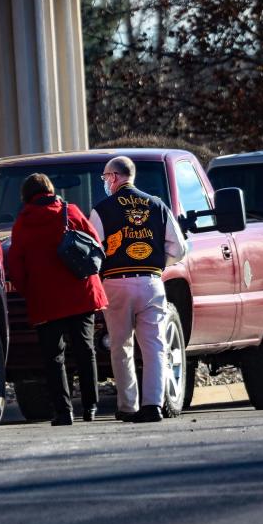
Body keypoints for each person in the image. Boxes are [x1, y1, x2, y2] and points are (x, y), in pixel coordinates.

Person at [90, 156, 187, 423]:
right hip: (151, 282)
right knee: (155, 345)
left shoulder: (102, 209)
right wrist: (154, 262)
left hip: (116, 282)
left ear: (114, 177)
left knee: (121, 345)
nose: (105, 183)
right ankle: (153, 404)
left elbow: (93, 249)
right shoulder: (157, 205)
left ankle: (128, 405)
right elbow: (179, 249)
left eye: (105, 178)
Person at [7, 173, 109, 426]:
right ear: (51, 190)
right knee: (86, 350)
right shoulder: (70, 211)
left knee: (54, 356)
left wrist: (30, 290)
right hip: (80, 292)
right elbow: (96, 242)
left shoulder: (22, 222)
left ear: (26, 195)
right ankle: (90, 407)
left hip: (45, 298)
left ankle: (63, 412)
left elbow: (15, 266)